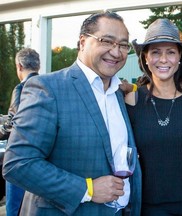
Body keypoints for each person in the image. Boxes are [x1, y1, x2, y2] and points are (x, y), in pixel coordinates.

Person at [2, 11, 141, 216]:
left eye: (123, 45)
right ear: (83, 42)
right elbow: (18, 164)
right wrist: (87, 189)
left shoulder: (118, 93)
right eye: (106, 41)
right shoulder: (48, 88)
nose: (116, 52)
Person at [125, 18, 182, 216]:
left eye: (170, 52)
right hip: (148, 207)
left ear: (180, 58)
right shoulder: (131, 98)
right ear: (145, 58)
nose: (163, 60)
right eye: (155, 52)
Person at [0, 48, 40, 216]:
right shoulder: (49, 85)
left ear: (19, 66)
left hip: (20, 157)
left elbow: (16, 122)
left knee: (15, 209)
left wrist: (2, 128)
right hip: (42, 158)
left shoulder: (21, 88)